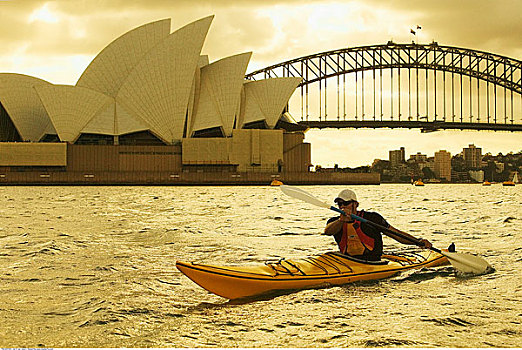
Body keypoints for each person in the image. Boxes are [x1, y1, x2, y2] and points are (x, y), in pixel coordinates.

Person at [324, 189, 432, 261]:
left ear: (355, 204)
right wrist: (341, 220)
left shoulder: (372, 218)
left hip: (373, 261)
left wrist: (418, 241)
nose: (342, 207)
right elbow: (327, 232)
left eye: (346, 203)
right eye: (340, 204)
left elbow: (396, 234)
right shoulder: (334, 222)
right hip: (348, 261)